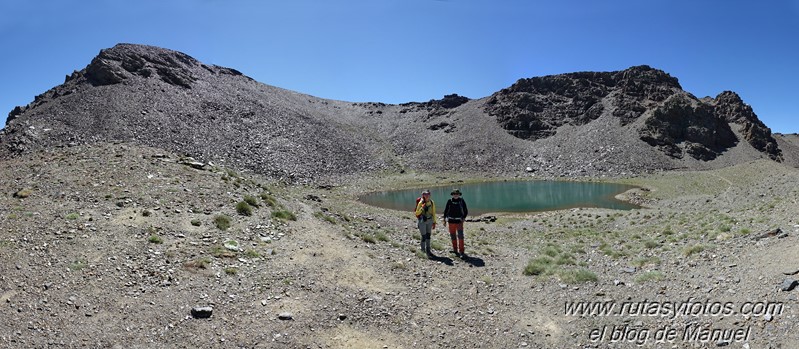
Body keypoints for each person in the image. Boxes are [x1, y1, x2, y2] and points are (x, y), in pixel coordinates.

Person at [443, 189, 468, 257]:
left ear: (459, 194)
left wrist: (463, 218)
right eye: (454, 194)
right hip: (451, 221)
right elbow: (446, 210)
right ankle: (455, 249)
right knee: (453, 236)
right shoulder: (449, 201)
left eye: (457, 194)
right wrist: (444, 219)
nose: (455, 195)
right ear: (452, 194)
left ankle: (461, 251)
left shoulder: (461, 201)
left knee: (460, 236)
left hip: (459, 221)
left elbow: (465, 210)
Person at [415, 190, 437, 258]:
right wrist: (422, 208)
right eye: (425, 194)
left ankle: (428, 250)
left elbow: (433, 213)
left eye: (428, 194)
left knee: (428, 235)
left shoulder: (432, 202)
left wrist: (434, 222)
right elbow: (417, 213)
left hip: (430, 221)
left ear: (430, 195)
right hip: (422, 221)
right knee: (424, 236)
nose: (427, 195)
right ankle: (423, 250)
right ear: (423, 195)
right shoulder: (421, 203)